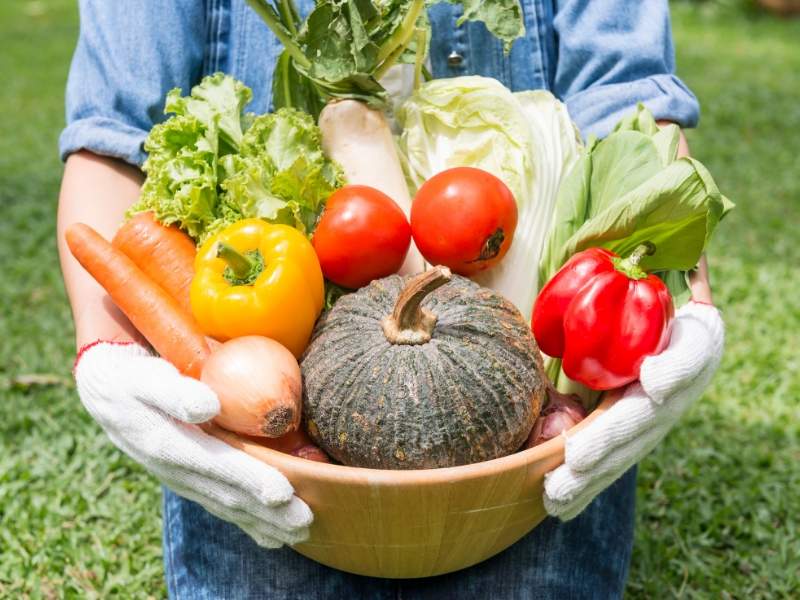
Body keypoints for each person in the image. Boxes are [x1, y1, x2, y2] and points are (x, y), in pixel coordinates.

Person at [58, 1, 724, 598]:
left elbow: (631, 111)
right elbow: (112, 138)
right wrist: (105, 344)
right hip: (268, 474)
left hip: (533, 476)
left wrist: (682, 307)